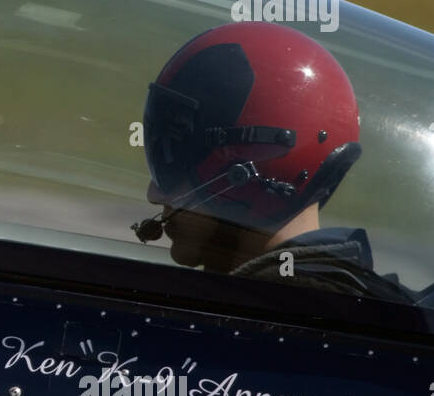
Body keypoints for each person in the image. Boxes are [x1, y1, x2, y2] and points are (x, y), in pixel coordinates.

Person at [135, 21, 410, 302]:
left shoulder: (286, 322)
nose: (154, 194)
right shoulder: (328, 303)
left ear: (244, 174)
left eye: (177, 160)